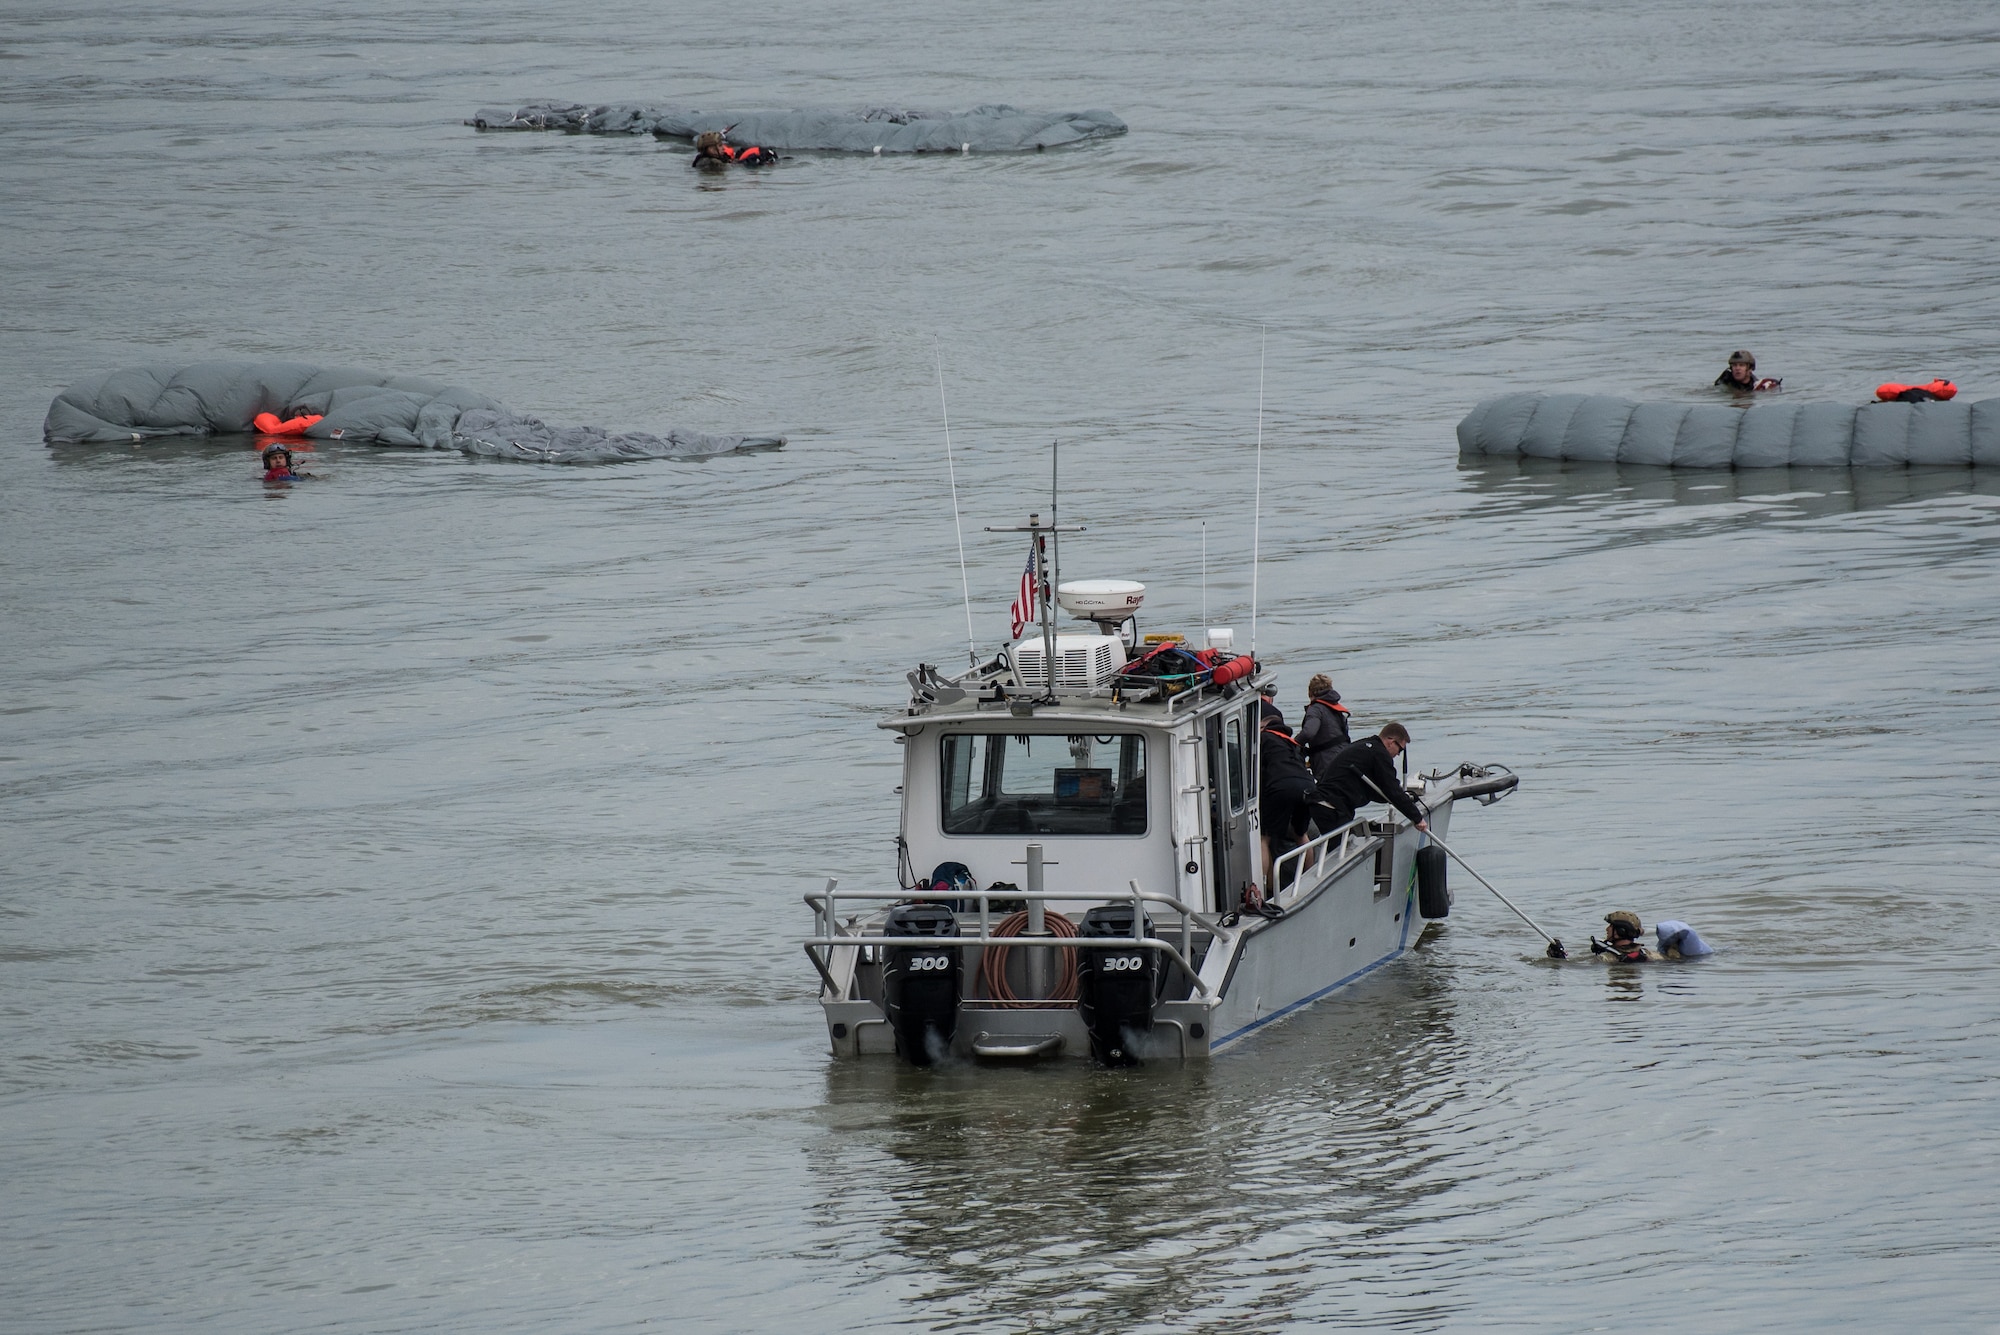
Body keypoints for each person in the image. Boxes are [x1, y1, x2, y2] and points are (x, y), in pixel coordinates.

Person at [1311, 722, 1429, 837]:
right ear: (1391, 742)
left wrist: (1406, 801)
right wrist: (1417, 818)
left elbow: (1378, 791)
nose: (1398, 754)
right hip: (1331, 807)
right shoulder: (1379, 754)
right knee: (1338, 851)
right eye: (1400, 750)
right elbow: (1392, 789)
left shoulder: (1366, 746)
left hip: (1324, 802)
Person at [1258, 707, 1318, 890]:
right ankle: (1310, 881)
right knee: (1301, 834)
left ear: (1264, 726)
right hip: (1308, 787)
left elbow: (1257, 773)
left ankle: (1262, 889)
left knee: (1265, 838)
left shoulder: (1263, 739)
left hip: (1281, 787)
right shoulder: (1293, 744)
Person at [1297, 674, 1351, 781]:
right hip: (1345, 756)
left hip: (1326, 762)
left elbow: (1309, 732)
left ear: (1310, 692)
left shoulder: (1316, 709)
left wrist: (1293, 744)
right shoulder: (1335, 708)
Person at [1591, 911, 1655, 962]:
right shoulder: (1649, 954)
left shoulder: (1604, 959)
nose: (1607, 929)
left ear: (1621, 930)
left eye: (1611, 926)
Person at [692, 130, 777, 168]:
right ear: (711, 149)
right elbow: (731, 169)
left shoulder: (713, 157)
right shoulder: (711, 163)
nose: (723, 148)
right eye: (720, 146)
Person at [1715, 350, 1781, 393]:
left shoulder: (1757, 385)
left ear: (1750, 368)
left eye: (1741, 365)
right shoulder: (1725, 382)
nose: (1737, 368)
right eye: (1734, 365)